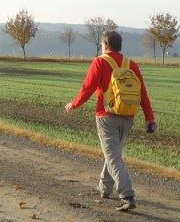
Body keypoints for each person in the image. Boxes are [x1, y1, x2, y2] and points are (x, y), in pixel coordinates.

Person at [64, 29, 156, 212]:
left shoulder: (100, 61)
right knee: (113, 154)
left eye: (101, 44)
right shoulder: (131, 64)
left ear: (105, 45)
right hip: (128, 116)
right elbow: (142, 93)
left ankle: (127, 195)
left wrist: (73, 104)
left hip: (106, 116)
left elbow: (87, 87)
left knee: (112, 156)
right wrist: (149, 118)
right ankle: (104, 188)